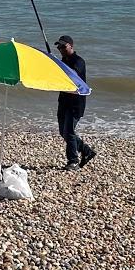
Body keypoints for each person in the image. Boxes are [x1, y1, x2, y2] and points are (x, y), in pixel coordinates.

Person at [53, 35, 95, 170]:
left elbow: (72, 75)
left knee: (69, 131)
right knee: (63, 132)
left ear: (71, 46)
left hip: (76, 103)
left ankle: (73, 161)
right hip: (63, 101)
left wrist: (58, 66)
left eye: (63, 46)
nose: (61, 49)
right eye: (59, 47)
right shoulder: (62, 61)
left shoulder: (78, 61)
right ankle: (86, 151)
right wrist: (52, 64)